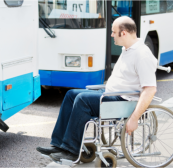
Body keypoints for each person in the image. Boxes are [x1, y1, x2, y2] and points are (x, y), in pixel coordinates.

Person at [36, 16, 157, 161]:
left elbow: (150, 89)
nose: (111, 35)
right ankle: (59, 145)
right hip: (110, 94)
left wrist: (134, 118)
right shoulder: (128, 50)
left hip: (123, 100)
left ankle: (71, 151)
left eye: (113, 32)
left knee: (83, 100)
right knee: (70, 94)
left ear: (123, 33)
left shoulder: (142, 54)